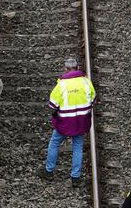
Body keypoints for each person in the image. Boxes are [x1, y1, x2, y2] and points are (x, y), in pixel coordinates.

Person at [40, 58, 96, 186]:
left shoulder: (62, 85)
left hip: (64, 122)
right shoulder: (86, 82)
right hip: (81, 121)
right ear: (77, 68)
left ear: (66, 69)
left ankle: (49, 172)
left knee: (54, 143)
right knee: (78, 147)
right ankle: (75, 177)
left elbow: (52, 105)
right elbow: (93, 98)